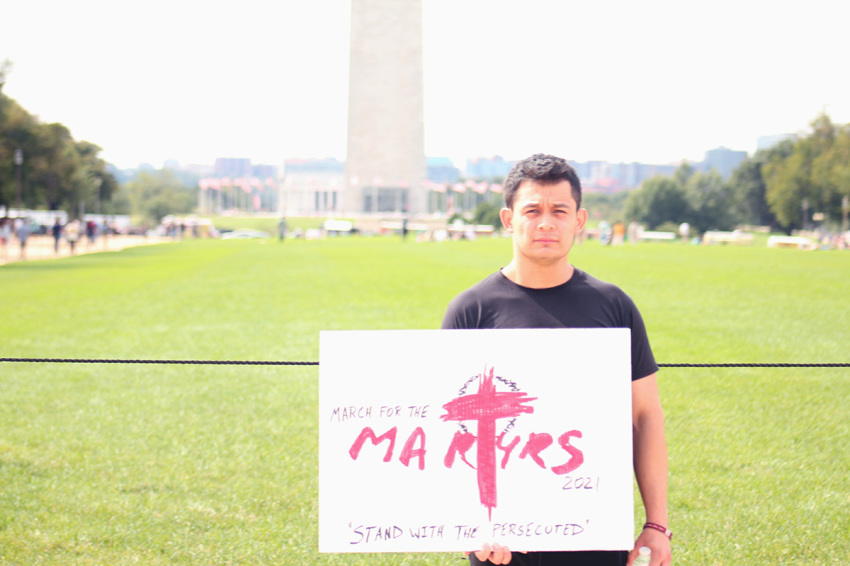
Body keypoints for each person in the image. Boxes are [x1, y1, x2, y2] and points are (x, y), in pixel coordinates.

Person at [442, 154, 671, 566]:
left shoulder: (614, 306)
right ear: (508, 219)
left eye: (559, 211)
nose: (546, 223)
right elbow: (448, 427)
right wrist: (467, 524)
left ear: (579, 220)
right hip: (500, 542)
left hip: (594, 532)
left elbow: (645, 416)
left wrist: (656, 523)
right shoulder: (470, 311)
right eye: (532, 211)